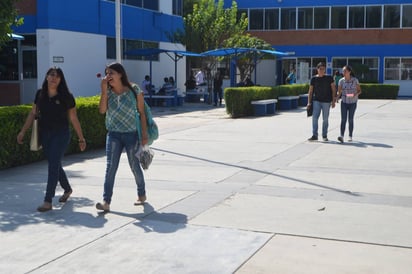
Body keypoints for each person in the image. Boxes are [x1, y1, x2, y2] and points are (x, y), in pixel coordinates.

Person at [17, 67, 86, 212]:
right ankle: (67, 189)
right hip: (45, 134)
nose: (54, 78)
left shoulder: (66, 96)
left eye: (57, 76)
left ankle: (48, 200)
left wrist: (81, 138)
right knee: (55, 164)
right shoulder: (40, 94)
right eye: (51, 75)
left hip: (61, 134)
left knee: (52, 165)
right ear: (47, 77)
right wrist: (23, 131)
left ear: (61, 80)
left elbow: (74, 118)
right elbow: (33, 113)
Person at [96, 62, 148, 212]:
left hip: (131, 134)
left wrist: (144, 135)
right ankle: (106, 201)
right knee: (111, 167)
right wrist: (104, 92)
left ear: (120, 74)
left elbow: (142, 113)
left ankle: (142, 194)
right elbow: (102, 110)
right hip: (113, 134)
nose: (108, 76)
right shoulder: (108, 92)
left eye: (111, 72)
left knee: (134, 165)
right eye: (106, 73)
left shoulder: (134, 89)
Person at [307, 62, 336, 142]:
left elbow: (334, 89)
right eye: (320, 69)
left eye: (323, 69)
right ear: (317, 69)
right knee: (315, 118)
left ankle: (324, 135)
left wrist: (333, 101)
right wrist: (309, 102)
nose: (322, 71)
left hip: (326, 101)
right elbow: (310, 91)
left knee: (325, 119)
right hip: (316, 101)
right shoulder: (313, 79)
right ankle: (314, 135)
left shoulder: (329, 78)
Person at [337, 65, 361, 143]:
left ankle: (350, 135)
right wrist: (336, 98)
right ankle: (341, 135)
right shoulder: (341, 81)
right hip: (344, 101)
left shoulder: (355, 80)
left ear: (349, 72)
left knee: (350, 119)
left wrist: (355, 94)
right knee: (343, 119)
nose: (343, 72)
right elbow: (339, 91)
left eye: (345, 71)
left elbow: (359, 90)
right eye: (343, 71)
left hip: (353, 102)